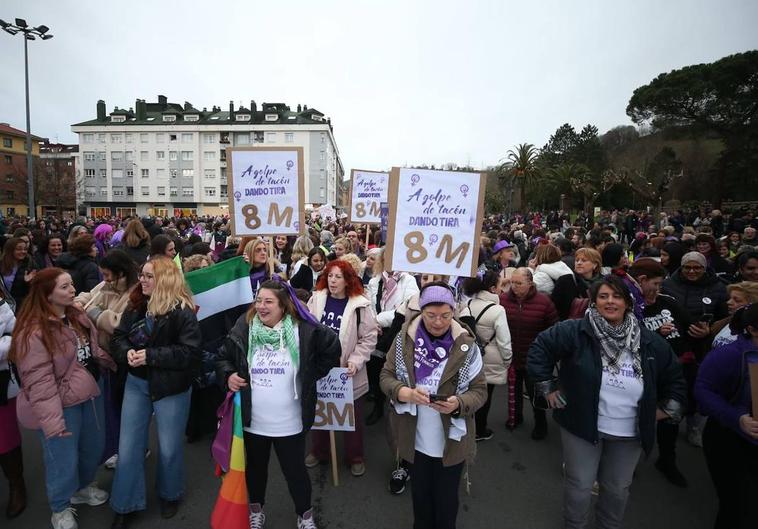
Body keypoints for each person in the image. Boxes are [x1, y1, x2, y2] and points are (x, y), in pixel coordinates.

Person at [528, 275, 686, 529]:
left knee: (617, 489)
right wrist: (548, 388)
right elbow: (540, 349)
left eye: (616, 296)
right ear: (594, 301)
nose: (610, 302)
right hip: (582, 424)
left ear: (628, 302)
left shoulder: (649, 341)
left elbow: (675, 378)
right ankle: (574, 525)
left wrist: (665, 410)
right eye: (603, 296)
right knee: (579, 485)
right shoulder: (576, 331)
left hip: (630, 431)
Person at [214, 279, 341, 529]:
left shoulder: (301, 329)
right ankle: (256, 511)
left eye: (268, 301)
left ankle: (305, 516)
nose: (261, 306)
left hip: (289, 422)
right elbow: (222, 358)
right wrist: (228, 375)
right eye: (258, 300)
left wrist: (310, 372)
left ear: (284, 306)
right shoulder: (245, 327)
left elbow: (331, 348)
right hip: (253, 422)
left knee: (296, 473)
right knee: (255, 471)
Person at [10, 268, 117, 529]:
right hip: (61, 403)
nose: (73, 290)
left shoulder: (76, 315)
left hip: (91, 393)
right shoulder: (33, 331)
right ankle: (59, 507)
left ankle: (82, 488)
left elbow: (92, 350)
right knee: (62, 458)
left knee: (92, 448)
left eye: (71, 285)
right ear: (47, 295)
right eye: (65, 287)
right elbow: (39, 382)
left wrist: (113, 363)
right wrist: (53, 423)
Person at [380, 282, 487, 529]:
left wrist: (459, 404)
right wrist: (403, 392)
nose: (438, 322)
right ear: (421, 312)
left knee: (447, 502)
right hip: (414, 439)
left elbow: (480, 391)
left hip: (451, 443)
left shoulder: (467, 345)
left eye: (445, 316)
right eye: (431, 315)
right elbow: (385, 376)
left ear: (453, 313)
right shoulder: (403, 339)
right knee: (420, 500)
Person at [109, 257, 202, 528]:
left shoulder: (183, 311)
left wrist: (149, 356)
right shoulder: (137, 304)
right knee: (127, 449)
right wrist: (126, 352)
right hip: (137, 384)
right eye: (142, 274)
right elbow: (118, 337)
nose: (142, 280)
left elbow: (190, 354)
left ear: (164, 279)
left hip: (171, 387)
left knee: (170, 447)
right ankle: (125, 504)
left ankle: (170, 494)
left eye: (149, 276)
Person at [305, 260, 378, 476]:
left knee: (352, 417)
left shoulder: (360, 305)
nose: (333, 281)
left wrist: (355, 361)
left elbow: (369, 338)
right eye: (330, 276)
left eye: (338, 277)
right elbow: (307, 328)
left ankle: (355, 456)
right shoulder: (316, 299)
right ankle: (320, 452)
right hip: (321, 369)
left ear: (348, 281)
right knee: (321, 413)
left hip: (347, 371)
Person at [74, 249, 140, 470]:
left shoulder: (134, 292)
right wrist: (77, 302)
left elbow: (120, 324)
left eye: (107, 274)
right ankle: (119, 447)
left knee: (122, 406)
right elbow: (88, 295)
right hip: (103, 357)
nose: (105, 279)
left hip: (121, 358)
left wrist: (94, 312)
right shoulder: (105, 286)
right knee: (111, 407)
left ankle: (130, 448)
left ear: (120, 273)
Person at [630, 258, 693, 487]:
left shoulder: (668, 302)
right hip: (644, 370)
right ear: (642, 281)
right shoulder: (632, 306)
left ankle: (667, 460)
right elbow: (629, 337)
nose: (658, 289)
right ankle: (628, 461)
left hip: (673, 369)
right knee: (638, 416)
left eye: (660, 284)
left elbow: (689, 324)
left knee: (670, 419)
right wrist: (656, 333)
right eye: (655, 284)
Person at [695, 304, 758, 529]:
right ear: (752, 329)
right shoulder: (729, 355)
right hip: (729, 441)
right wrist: (737, 417)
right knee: (739, 508)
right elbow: (702, 390)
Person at [500, 267, 558, 438]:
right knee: (514, 390)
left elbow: (553, 329)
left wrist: (547, 352)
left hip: (535, 359)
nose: (514, 286)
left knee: (536, 393)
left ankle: (541, 424)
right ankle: (516, 417)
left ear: (530, 283)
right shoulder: (503, 300)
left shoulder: (544, 302)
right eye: (512, 282)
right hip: (512, 356)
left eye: (519, 283)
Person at [366, 252, 420, 425]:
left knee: (393, 369)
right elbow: (369, 304)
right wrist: (373, 321)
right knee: (374, 367)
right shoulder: (375, 281)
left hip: (396, 329)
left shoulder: (408, 280)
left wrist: (379, 319)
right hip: (376, 330)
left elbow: (406, 306)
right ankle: (378, 405)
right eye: (385, 258)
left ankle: (396, 404)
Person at [458, 270, 512, 441]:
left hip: (470, 355)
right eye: (501, 285)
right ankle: (479, 430)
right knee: (485, 395)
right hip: (491, 358)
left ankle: (464, 426)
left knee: (468, 391)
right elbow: (504, 340)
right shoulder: (498, 310)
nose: (503, 289)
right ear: (493, 288)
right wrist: (507, 359)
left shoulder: (467, 305)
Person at [0, 290, 24, 520]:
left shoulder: (0, 305)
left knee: (5, 440)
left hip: (0, 382)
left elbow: (16, 337)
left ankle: (17, 486)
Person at [531, 243, 578, 320]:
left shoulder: (542, 274)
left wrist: (531, 270)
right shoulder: (563, 267)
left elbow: (525, 287)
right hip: (566, 312)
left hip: (549, 314)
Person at [709, 281, 758, 348]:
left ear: (753, 305)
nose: (728, 302)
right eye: (730, 298)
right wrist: (705, 334)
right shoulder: (722, 323)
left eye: (737, 300)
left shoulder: (755, 330)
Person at [1, 237, 37, 311]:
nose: (23, 251)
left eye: (25, 249)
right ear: (10, 250)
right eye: (19, 249)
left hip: (22, 307)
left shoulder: (30, 264)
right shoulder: (1, 265)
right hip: (4, 307)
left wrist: (29, 283)